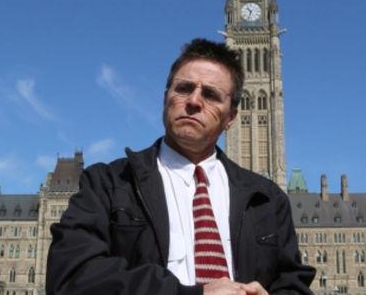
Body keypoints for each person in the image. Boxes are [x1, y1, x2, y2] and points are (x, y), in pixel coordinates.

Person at [46, 38, 315, 295]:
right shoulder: (108, 183)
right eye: (184, 88)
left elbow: (293, 284)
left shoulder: (267, 199)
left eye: (210, 94)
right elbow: (70, 277)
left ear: (231, 117)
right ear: (166, 98)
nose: (194, 101)